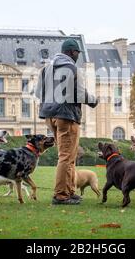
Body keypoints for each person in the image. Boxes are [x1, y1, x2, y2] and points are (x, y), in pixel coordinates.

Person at [35, 39, 98, 205]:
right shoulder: (72, 69)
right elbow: (81, 95)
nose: (78, 56)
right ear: (72, 52)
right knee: (66, 156)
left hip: (50, 116)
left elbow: (36, 93)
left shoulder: (45, 69)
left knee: (68, 156)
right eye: (77, 53)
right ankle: (61, 195)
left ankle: (70, 191)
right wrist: (93, 100)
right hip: (67, 116)